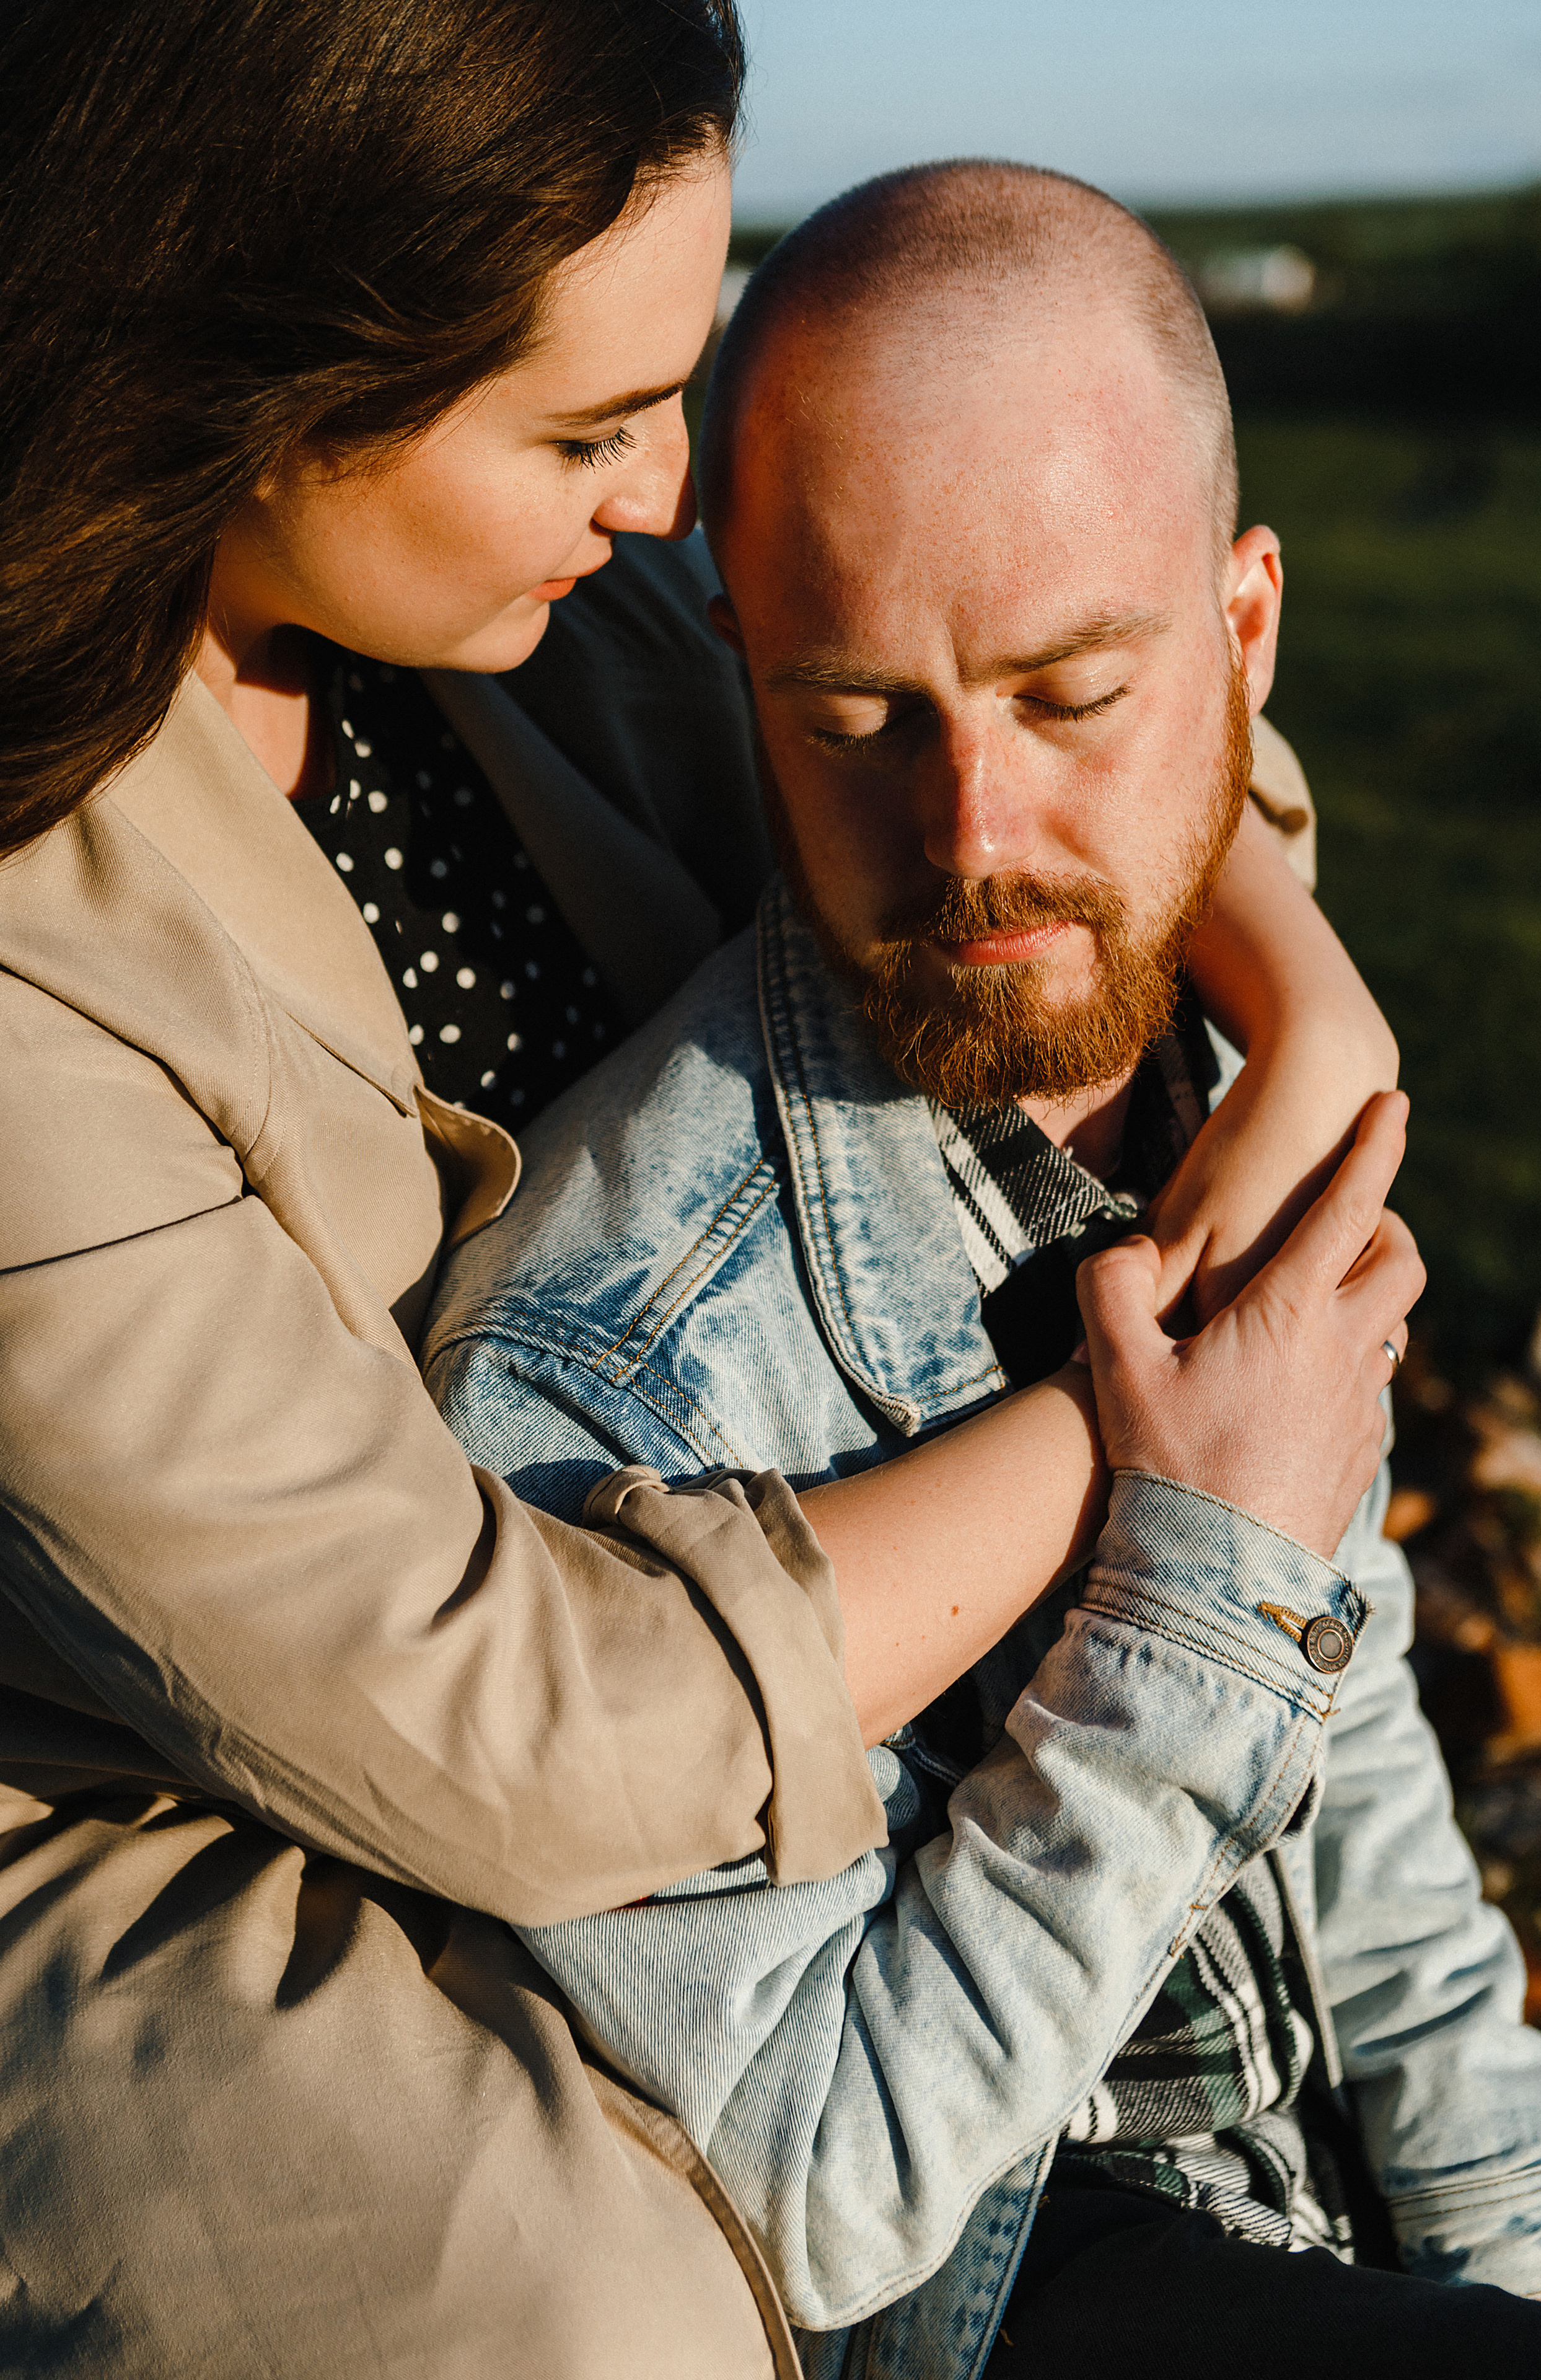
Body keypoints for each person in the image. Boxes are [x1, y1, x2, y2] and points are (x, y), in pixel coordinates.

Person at [0, 11, 1430, 2374]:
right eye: (585, 427)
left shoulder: (516, 620)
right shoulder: (43, 947)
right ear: (246, 375)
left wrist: (1298, 974)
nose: (665, 494)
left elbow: (1034, 698)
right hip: (192, 1812)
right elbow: (493, 1716)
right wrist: (1168, 1427)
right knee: (603, 2313)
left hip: (742, 1669)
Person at [424, 165, 1541, 2376]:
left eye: (1071, 696)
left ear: (1245, 635)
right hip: (1004, 2281)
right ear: (740, 660)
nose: (975, 845)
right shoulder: (605, 1354)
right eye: (859, 718)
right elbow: (816, 2185)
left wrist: (1531, 2228)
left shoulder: (1228, 1067)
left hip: (1315, 2201)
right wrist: (1205, 1582)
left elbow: (1369, 1787)